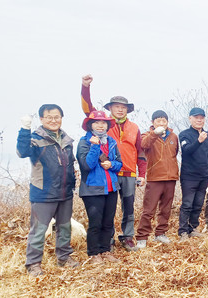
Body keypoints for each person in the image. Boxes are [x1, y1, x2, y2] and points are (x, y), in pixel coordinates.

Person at [81, 75, 147, 251]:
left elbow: (140, 152)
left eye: (123, 107)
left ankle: (127, 237)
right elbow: (88, 109)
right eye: (116, 106)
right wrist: (85, 87)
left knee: (129, 208)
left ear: (128, 110)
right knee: (106, 209)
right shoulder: (103, 124)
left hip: (128, 173)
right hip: (106, 173)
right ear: (110, 108)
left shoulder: (134, 128)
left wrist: (142, 174)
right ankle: (107, 239)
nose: (120, 109)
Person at [17, 104, 79, 276]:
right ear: (42, 119)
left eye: (57, 116)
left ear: (61, 118)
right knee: (38, 230)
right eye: (49, 117)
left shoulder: (67, 140)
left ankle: (64, 258)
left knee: (64, 228)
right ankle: (33, 264)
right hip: (43, 192)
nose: (53, 120)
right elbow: (22, 152)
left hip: (65, 193)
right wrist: (25, 129)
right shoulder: (36, 139)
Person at [77, 110, 123, 264]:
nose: (100, 125)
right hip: (92, 189)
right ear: (90, 125)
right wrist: (95, 146)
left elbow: (119, 164)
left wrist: (112, 164)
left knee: (108, 222)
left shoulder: (112, 142)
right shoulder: (84, 142)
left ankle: (105, 250)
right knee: (95, 222)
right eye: (96, 122)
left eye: (103, 122)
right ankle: (94, 253)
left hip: (111, 188)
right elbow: (86, 165)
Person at [136, 110, 179, 248]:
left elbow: (175, 153)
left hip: (171, 177)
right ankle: (142, 236)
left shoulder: (173, 136)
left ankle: (160, 233)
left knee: (166, 208)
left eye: (164, 121)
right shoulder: (147, 135)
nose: (162, 123)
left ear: (167, 122)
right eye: (158, 121)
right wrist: (155, 134)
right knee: (149, 209)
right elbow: (143, 145)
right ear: (153, 122)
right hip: (155, 177)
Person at [178, 108, 208, 239]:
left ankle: (193, 228)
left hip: (204, 176)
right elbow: (186, 151)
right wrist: (198, 141)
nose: (199, 120)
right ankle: (182, 231)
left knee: (198, 204)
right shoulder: (184, 134)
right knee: (187, 204)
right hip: (189, 176)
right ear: (190, 118)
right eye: (196, 117)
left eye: (202, 117)